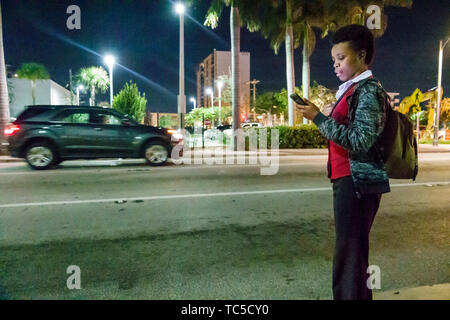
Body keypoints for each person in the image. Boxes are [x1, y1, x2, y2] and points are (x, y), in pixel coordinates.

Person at [297, 24, 390, 300]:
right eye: (334, 60)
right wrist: (324, 117)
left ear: (361, 56)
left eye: (342, 58)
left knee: (350, 255)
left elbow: (361, 140)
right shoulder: (350, 90)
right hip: (347, 180)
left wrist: (319, 118)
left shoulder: (369, 90)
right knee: (352, 255)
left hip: (358, 184)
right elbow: (345, 135)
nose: (336, 65)